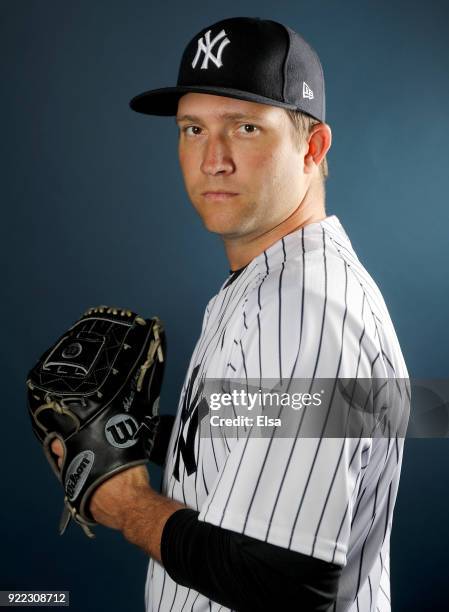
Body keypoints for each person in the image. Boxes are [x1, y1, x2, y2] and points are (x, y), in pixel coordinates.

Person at [51, 17, 409, 612]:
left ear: (313, 146)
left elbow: (292, 586)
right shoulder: (270, 279)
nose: (213, 159)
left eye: (245, 127)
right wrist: (132, 436)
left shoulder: (304, 307)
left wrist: (129, 503)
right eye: (193, 129)